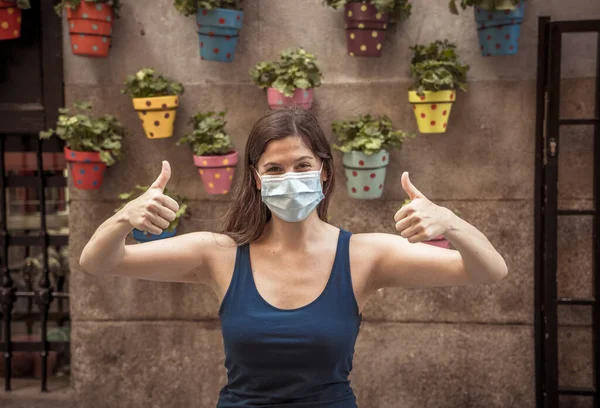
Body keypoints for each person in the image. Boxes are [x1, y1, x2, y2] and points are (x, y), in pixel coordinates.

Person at [79, 107, 508, 408]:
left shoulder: (364, 255)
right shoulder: (219, 254)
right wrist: (123, 216)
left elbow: (488, 270)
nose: (290, 179)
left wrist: (449, 222)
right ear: (256, 176)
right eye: (275, 169)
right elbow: (98, 261)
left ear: (323, 169)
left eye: (303, 165)